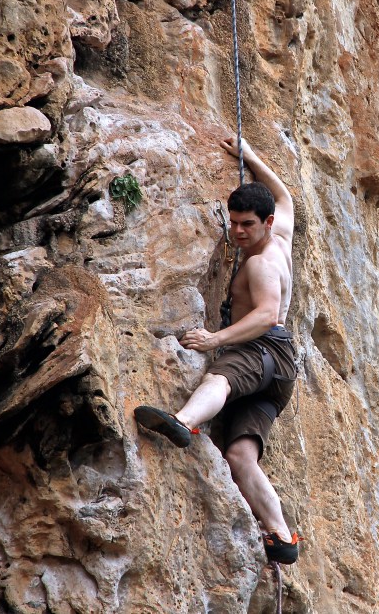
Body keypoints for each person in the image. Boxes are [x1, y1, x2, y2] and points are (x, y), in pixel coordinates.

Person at [134, 136, 300, 564]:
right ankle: (281, 535)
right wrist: (251, 156)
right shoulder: (281, 230)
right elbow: (284, 195)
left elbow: (266, 315)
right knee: (241, 456)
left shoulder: (262, 263)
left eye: (246, 224)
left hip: (262, 351)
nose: (237, 231)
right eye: (234, 222)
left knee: (220, 377)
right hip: (280, 372)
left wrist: (215, 340)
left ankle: (183, 422)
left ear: (265, 223)